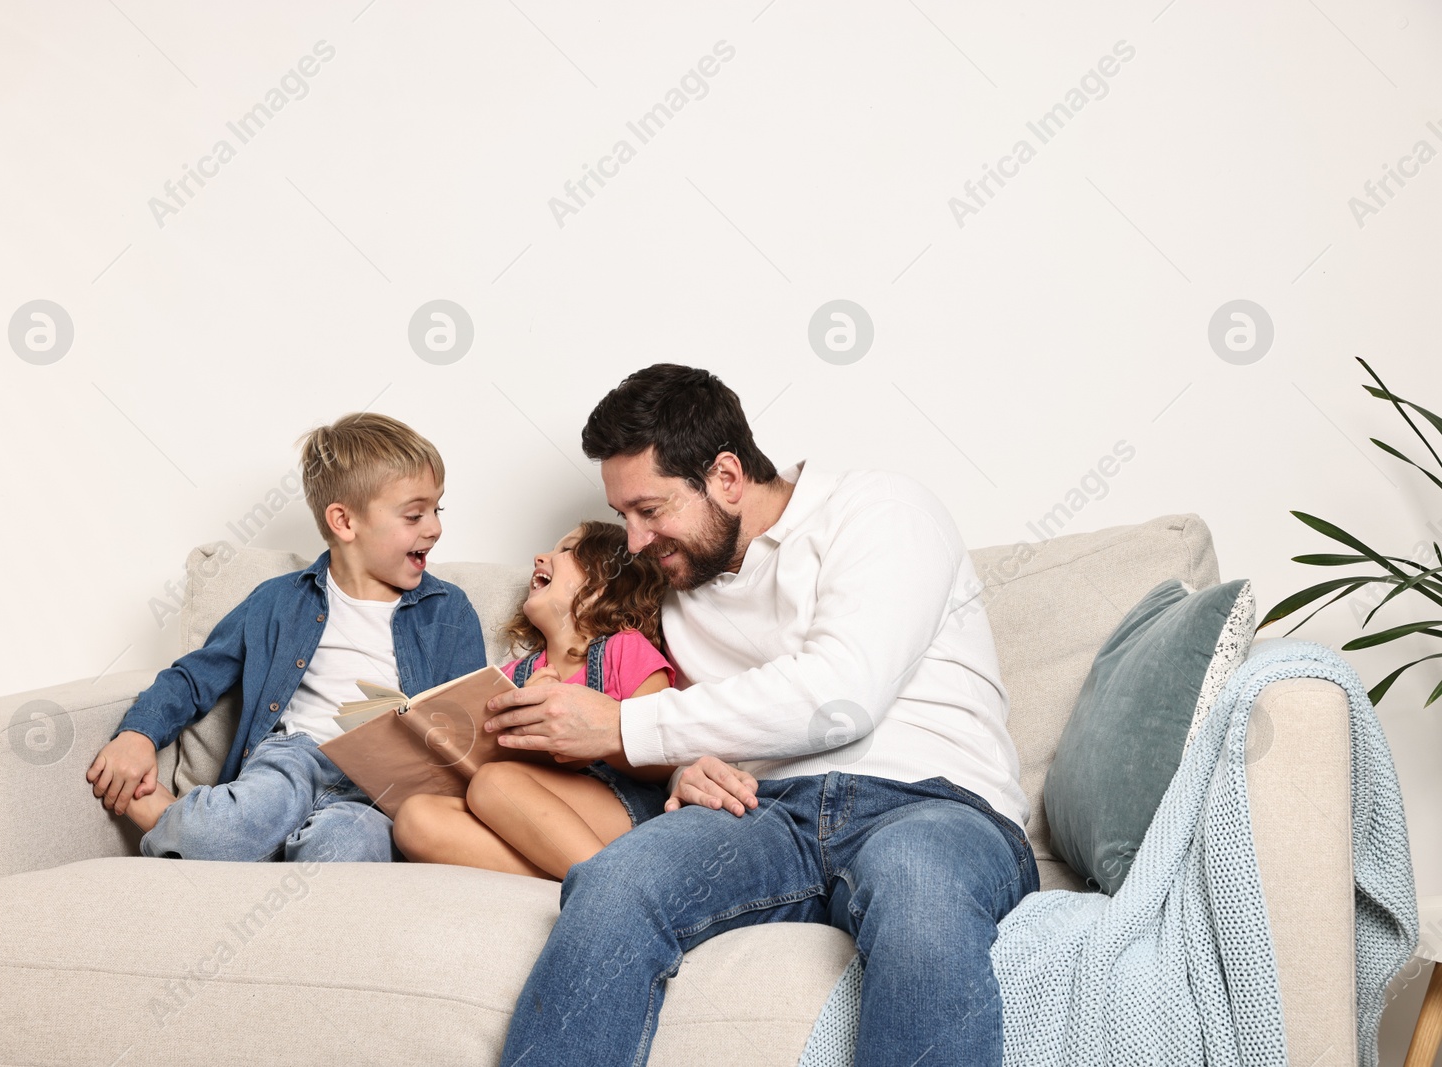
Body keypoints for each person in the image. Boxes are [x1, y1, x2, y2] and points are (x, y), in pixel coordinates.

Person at [481, 365, 1035, 1067]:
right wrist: (683, 761)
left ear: (727, 475)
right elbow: (677, 713)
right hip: (765, 815)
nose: (637, 538)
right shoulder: (674, 590)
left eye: (650, 509)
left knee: (917, 884)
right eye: (624, 515)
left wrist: (626, 727)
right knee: (616, 881)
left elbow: (842, 693)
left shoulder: (880, 509)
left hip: (934, 803)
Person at [85, 412, 486, 864]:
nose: (433, 527)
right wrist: (139, 733)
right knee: (224, 832)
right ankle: (179, 821)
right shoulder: (278, 602)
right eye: (415, 514)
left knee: (345, 851)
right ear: (344, 522)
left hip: (378, 791)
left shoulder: (449, 611)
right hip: (292, 762)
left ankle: (273, 852)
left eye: (438, 509)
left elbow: (465, 725)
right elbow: (195, 677)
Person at [393, 521, 676, 880]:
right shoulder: (510, 676)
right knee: (415, 819)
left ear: (603, 583)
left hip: (617, 808)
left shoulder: (624, 648)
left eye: (566, 550)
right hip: (530, 817)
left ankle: (616, 888)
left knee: (493, 782)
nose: (539, 557)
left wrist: (594, 741)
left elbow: (663, 752)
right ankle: (578, 873)